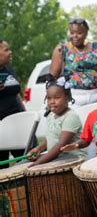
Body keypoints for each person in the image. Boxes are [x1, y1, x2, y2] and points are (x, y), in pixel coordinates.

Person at [49, 18, 97, 108]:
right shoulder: (62, 49)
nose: (75, 36)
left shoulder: (96, 48)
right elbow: (53, 75)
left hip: (96, 95)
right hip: (73, 97)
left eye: (79, 33)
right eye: (72, 33)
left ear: (86, 33)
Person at [27, 76, 85, 166]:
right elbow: (51, 138)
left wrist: (39, 162)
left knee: (39, 165)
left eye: (56, 98)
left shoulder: (71, 117)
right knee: (24, 163)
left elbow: (61, 144)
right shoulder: (51, 115)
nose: (52, 102)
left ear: (67, 98)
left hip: (72, 156)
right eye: (49, 98)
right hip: (59, 155)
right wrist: (38, 149)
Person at [0, 39, 27, 169]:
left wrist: (24, 111)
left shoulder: (9, 68)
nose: (10, 52)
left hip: (17, 123)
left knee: (24, 160)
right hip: (1, 128)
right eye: (6, 50)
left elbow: (16, 93)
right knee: (2, 163)